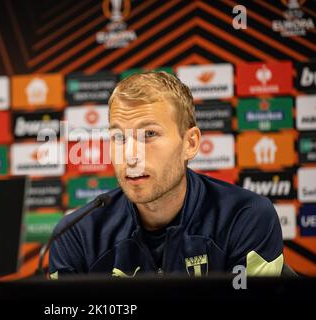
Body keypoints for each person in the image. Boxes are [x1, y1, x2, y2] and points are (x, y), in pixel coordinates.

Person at [49, 71, 283, 279]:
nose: (130, 156)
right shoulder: (77, 234)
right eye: (119, 137)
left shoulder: (245, 218)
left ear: (190, 144)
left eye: (149, 133)